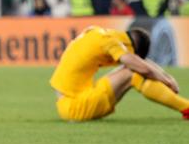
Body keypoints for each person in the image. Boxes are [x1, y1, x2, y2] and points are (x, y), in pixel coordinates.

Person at [50, 26, 189, 122]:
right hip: (76, 106)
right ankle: (186, 107)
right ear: (133, 49)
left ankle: (185, 107)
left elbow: (142, 63)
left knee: (133, 68)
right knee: (132, 71)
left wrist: (166, 76)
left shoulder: (100, 34)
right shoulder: (109, 42)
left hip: (68, 103)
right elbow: (142, 67)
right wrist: (167, 81)